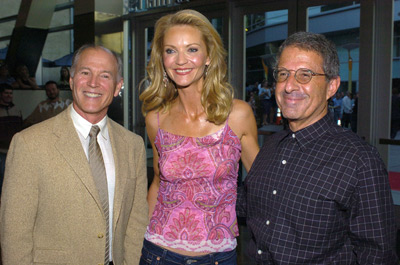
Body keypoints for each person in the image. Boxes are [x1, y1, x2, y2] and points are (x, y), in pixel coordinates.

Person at [237, 31, 398, 264]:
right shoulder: (271, 146)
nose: (289, 86)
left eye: (305, 75)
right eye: (283, 74)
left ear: (332, 86)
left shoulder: (359, 160)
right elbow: (248, 205)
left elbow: (377, 255)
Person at [0, 44, 148, 264]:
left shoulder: (133, 145)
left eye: (105, 75)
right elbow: (15, 232)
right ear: (71, 80)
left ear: (118, 87)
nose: (93, 83)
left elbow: (136, 221)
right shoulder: (29, 144)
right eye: (85, 72)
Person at [139, 9, 259, 265]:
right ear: (162, 59)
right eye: (171, 51)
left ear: (208, 57)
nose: (181, 60)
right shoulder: (155, 120)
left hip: (218, 256)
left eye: (192, 49)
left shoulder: (237, 115)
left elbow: (261, 186)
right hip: (157, 252)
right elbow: (158, 183)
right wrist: (137, 239)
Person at [0, 83, 22, 150]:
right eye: (6, 93)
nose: (9, 95)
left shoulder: (17, 110)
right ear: (0, 94)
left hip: (14, 148)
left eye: (11, 93)